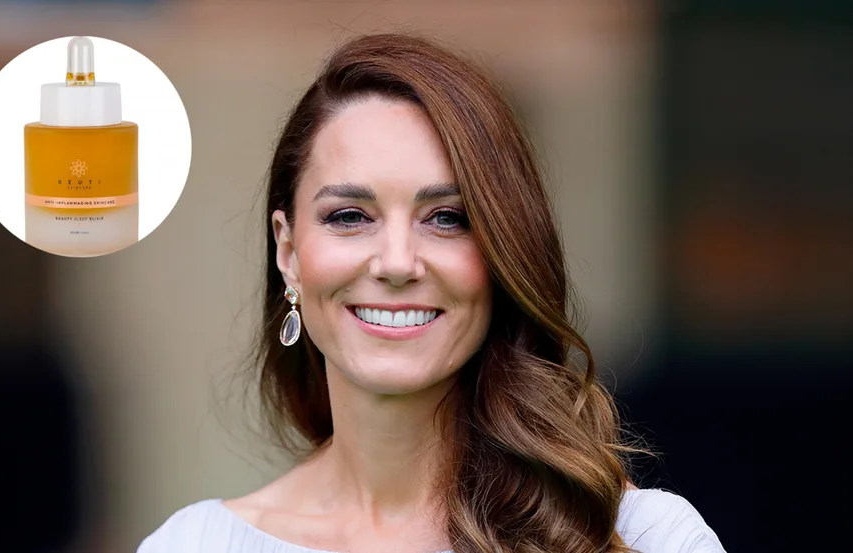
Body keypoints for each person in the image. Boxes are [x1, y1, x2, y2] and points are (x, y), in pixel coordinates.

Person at [137, 33, 725, 553]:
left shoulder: (645, 541)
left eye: (446, 218)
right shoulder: (192, 544)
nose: (396, 263)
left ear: (503, 253)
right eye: (349, 216)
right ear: (288, 252)